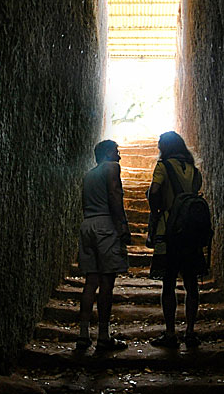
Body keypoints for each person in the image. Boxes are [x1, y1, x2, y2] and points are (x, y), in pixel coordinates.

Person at [147, 131, 208, 349]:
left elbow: (154, 191)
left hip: (170, 228)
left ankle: (171, 333)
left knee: (169, 282)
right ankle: (190, 332)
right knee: (192, 284)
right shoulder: (194, 170)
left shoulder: (163, 167)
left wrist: (157, 211)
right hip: (191, 232)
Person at [76, 139, 131, 351]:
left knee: (91, 281)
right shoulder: (112, 167)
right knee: (107, 282)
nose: (119, 156)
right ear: (107, 153)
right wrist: (123, 226)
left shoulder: (88, 175)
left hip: (88, 224)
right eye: (116, 151)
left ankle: (82, 335)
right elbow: (114, 195)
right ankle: (103, 336)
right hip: (106, 225)